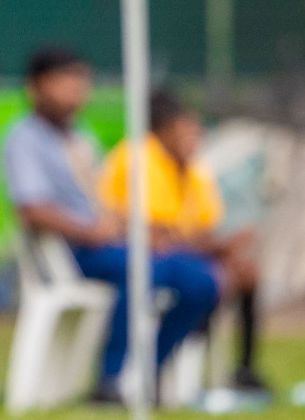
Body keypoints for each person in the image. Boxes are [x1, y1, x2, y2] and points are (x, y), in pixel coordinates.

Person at [0, 46, 217, 405]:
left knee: (201, 280)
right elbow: (32, 209)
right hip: (71, 252)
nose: (75, 93)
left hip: (110, 244)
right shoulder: (23, 139)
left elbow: (101, 203)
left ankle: (146, 373)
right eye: (65, 84)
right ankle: (110, 379)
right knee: (142, 268)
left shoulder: (80, 138)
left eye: (80, 84)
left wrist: (135, 229)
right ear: (36, 86)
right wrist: (92, 232)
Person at [99, 89, 269, 393]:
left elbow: (202, 229)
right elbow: (156, 236)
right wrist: (216, 248)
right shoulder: (140, 159)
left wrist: (223, 248)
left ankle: (243, 369)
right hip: (141, 256)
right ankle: (132, 372)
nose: (197, 136)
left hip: (182, 255)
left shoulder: (195, 170)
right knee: (205, 280)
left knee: (244, 272)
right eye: (188, 129)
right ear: (165, 129)